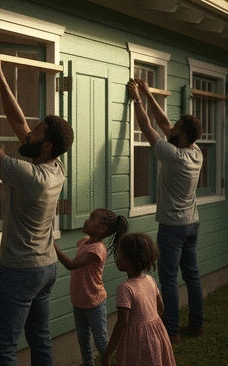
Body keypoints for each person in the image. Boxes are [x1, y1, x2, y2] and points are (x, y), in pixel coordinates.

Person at [0, 50, 74, 366]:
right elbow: (18, 121)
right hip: (45, 269)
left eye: (37, 131)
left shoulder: (30, 175)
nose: (29, 130)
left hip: (20, 271)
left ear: (45, 145)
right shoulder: (55, 166)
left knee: (3, 349)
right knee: (40, 340)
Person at [127, 78, 204, 343]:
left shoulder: (174, 156)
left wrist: (136, 98)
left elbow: (148, 127)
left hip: (173, 227)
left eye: (177, 128)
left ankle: (171, 330)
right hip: (192, 223)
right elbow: (163, 124)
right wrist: (149, 93)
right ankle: (197, 324)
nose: (172, 128)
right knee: (191, 275)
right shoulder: (195, 152)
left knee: (169, 278)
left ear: (181, 136)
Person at [54, 208, 128, 366]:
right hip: (79, 302)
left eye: (92, 219)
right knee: (83, 341)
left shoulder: (97, 250)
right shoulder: (85, 241)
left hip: (94, 302)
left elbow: (71, 265)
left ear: (102, 229)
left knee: (101, 341)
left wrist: (52, 245)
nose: (87, 220)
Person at [102, 232, 176, 366]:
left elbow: (122, 323)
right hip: (157, 335)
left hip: (137, 342)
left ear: (127, 261)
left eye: (118, 254)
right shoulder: (150, 280)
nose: (116, 258)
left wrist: (108, 352)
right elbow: (161, 308)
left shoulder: (125, 288)